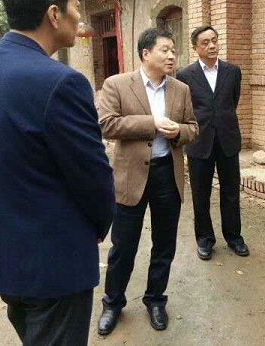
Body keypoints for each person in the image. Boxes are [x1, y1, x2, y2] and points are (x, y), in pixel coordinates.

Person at [0, 0, 116, 346]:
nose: (80, 16)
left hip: (4, 257)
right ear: (53, 15)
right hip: (53, 265)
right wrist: (98, 226)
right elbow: (94, 180)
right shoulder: (61, 83)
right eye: (75, 5)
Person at [96, 27, 198, 335]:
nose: (171, 56)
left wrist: (179, 131)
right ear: (145, 53)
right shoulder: (117, 84)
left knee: (164, 244)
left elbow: (193, 127)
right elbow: (106, 124)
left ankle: (155, 300)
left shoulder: (181, 89)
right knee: (123, 246)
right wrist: (151, 123)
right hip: (131, 176)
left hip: (167, 173)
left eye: (173, 50)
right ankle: (113, 303)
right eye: (164, 50)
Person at [176, 26, 249, 260]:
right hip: (199, 141)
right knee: (201, 194)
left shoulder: (232, 71)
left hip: (227, 140)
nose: (212, 46)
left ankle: (234, 238)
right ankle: (205, 240)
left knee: (231, 193)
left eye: (214, 40)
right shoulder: (184, 75)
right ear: (195, 47)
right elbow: (185, 108)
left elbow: (232, 101)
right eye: (205, 42)